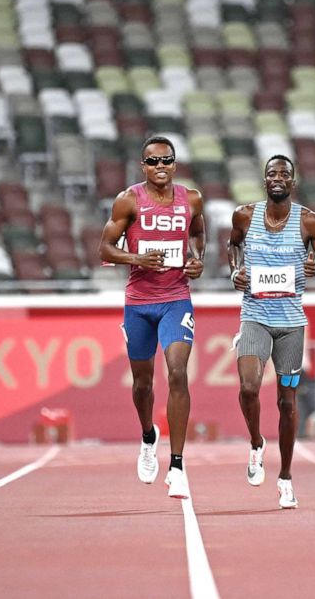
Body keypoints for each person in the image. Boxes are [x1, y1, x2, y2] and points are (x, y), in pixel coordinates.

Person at [98, 136, 206, 499]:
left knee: (177, 372)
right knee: (143, 384)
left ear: (175, 165)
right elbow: (104, 247)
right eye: (153, 162)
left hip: (176, 299)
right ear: (142, 166)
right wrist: (136, 259)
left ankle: (177, 465)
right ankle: (148, 436)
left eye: (167, 161)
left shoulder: (191, 199)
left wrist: (196, 259)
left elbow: (199, 233)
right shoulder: (128, 200)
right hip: (139, 303)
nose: (160, 167)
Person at [228, 155, 315, 508]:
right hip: (254, 317)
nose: (277, 178)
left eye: (283, 174)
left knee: (287, 403)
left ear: (293, 182)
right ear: (264, 181)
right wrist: (236, 272)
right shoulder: (244, 215)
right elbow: (233, 247)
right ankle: (257, 443)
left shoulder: (310, 222)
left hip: (291, 326)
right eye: (271, 173)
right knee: (248, 388)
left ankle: (286, 477)